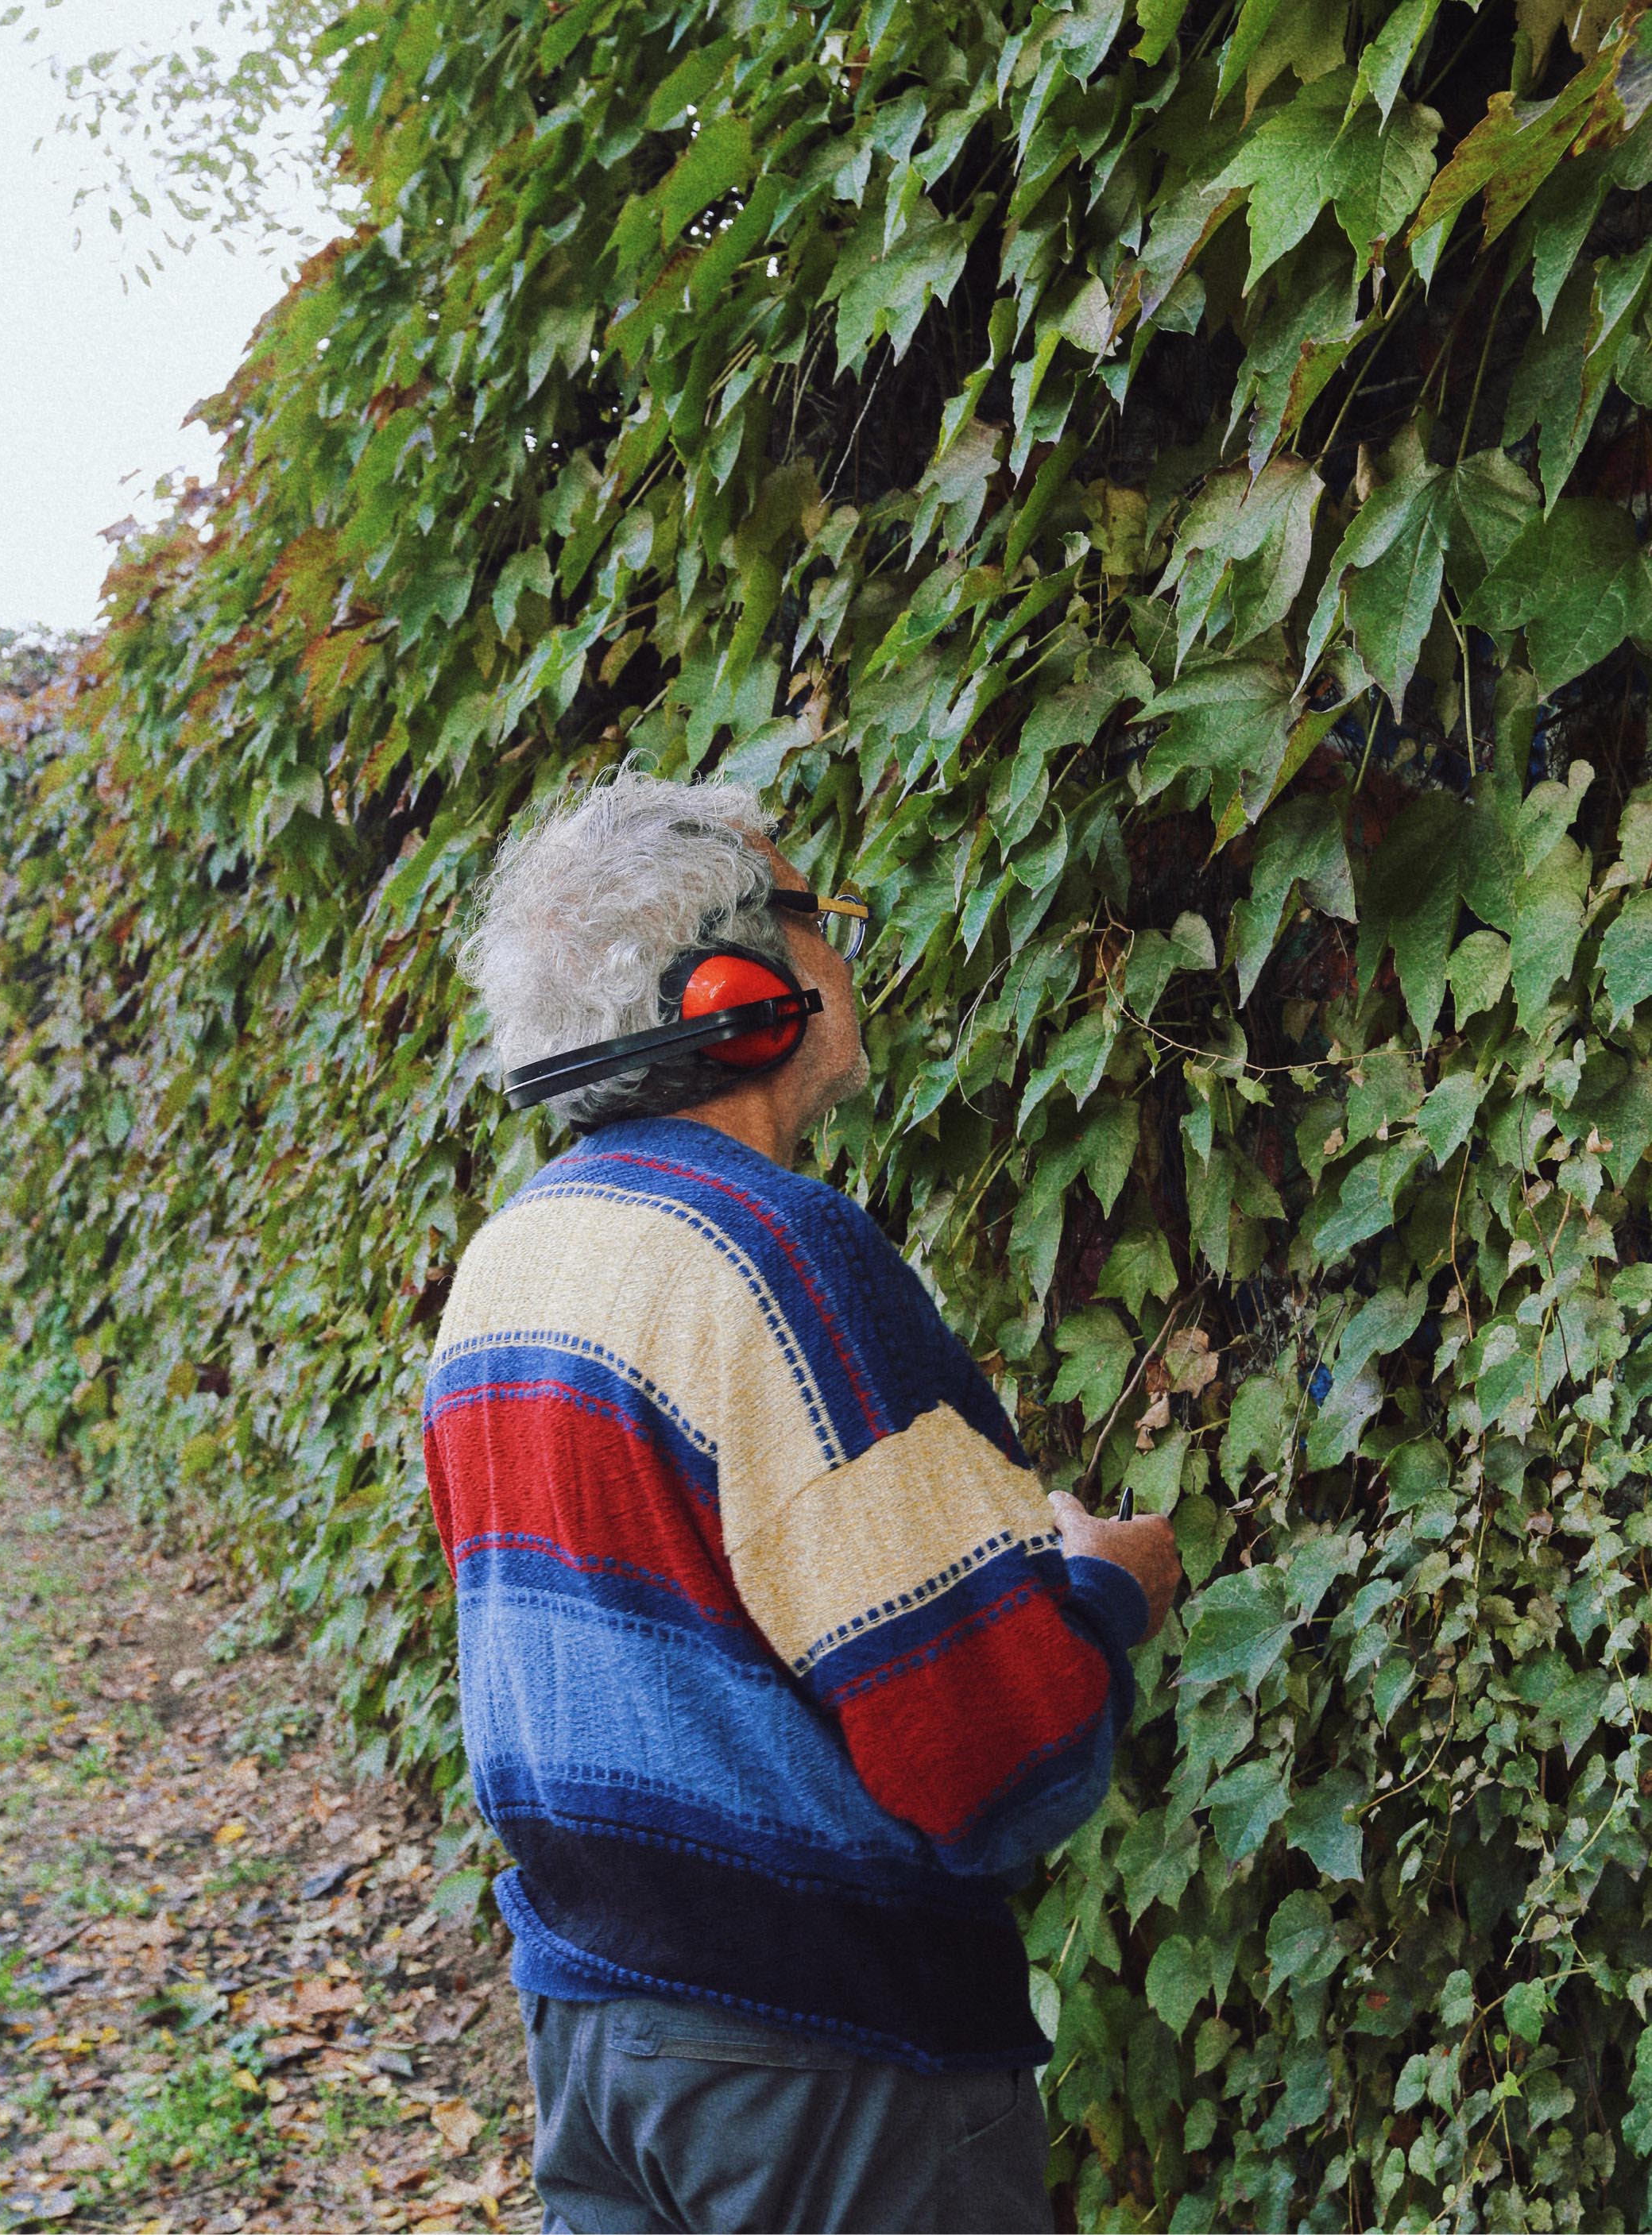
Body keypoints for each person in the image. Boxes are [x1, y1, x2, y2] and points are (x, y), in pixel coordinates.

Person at [421, 771, 1180, 2235]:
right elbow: (989, 1758)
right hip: (829, 2069)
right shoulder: (779, 1257)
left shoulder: (505, 1263)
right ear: (730, 988)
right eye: (814, 911)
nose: (845, 944)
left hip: (590, 2040)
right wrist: (1102, 1586)